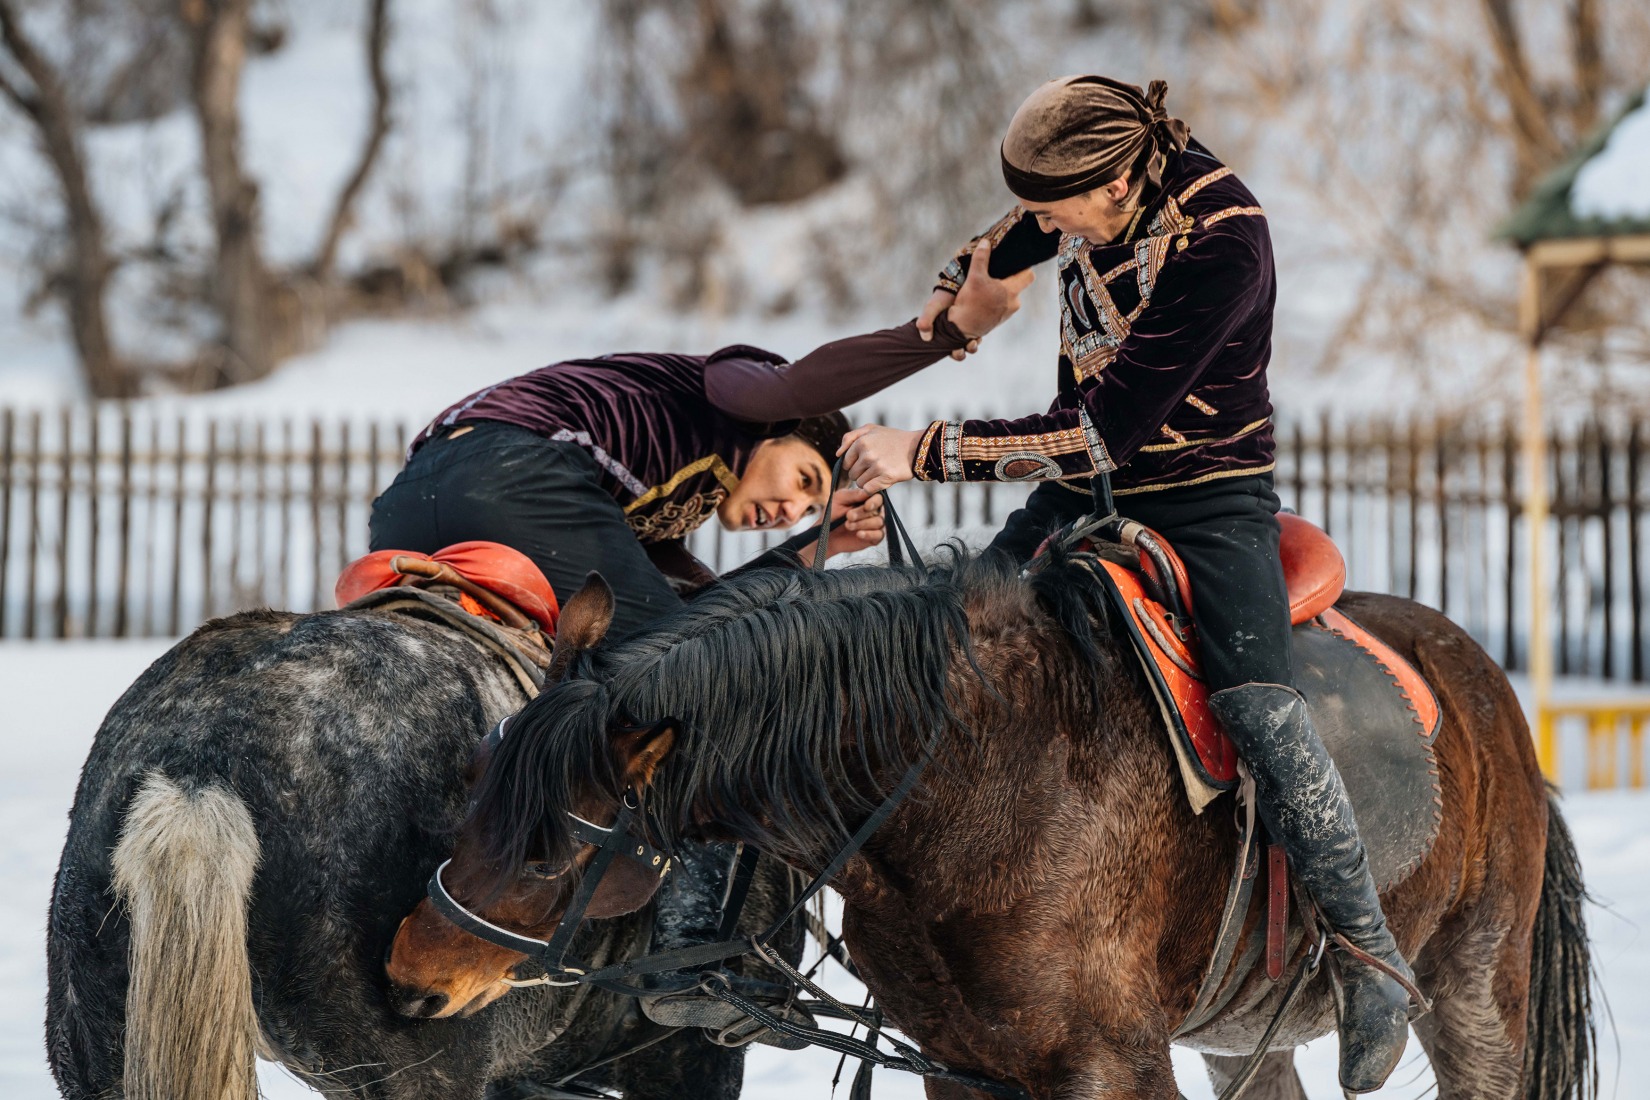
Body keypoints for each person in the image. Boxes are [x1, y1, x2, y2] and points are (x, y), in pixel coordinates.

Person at [837, 75, 1416, 1093]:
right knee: (943, 637)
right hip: (1081, 498)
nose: (1044, 228)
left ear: (1115, 186)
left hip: (1205, 496)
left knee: (1261, 708)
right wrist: (956, 292)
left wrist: (925, 449)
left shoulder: (1225, 239)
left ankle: (1369, 956)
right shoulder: (1095, 190)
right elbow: (1007, 243)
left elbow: (1103, 429)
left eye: (1059, 213)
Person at [369, 254, 1031, 641]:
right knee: (675, 667)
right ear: (778, 428)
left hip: (407, 503)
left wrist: (819, 545)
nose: (790, 509)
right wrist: (940, 334)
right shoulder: (737, 392)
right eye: (804, 479)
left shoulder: (664, 495)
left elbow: (707, 614)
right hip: (515, 475)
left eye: (806, 509)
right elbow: (795, 385)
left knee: (694, 639)